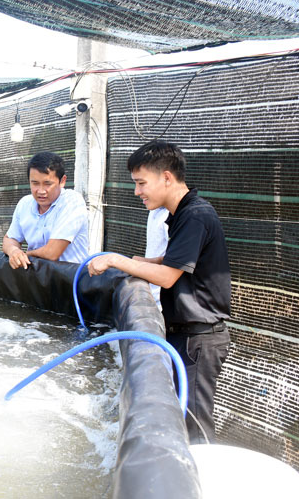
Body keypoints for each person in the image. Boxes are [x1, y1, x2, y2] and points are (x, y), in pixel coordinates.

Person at [88, 140, 230, 443]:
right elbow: (178, 260)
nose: (137, 191)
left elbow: (167, 277)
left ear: (166, 177)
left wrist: (116, 260)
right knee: (182, 418)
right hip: (188, 334)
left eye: (141, 183)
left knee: (194, 425)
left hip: (199, 339)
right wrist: (142, 262)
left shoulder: (195, 215)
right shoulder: (182, 212)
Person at [2, 151, 89, 267]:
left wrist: (25, 255)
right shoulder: (24, 204)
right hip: (36, 278)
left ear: (62, 181)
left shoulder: (72, 202)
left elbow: (52, 253)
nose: (41, 191)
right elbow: (10, 239)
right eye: (35, 183)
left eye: (47, 184)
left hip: (71, 280)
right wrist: (14, 251)